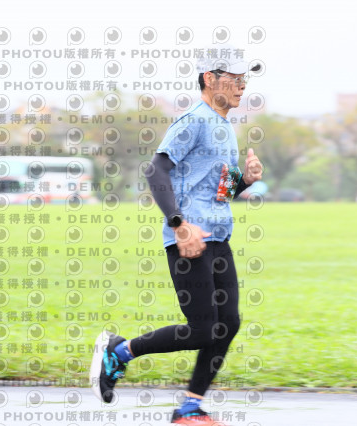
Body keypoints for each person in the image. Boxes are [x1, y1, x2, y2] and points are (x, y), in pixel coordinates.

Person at [90, 44, 263, 425]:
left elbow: (218, 190)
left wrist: (245, 181)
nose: (241, 86)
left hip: (217, 237)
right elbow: (155, 171)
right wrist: (178, 224)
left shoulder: (223, 126)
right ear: (209, 79)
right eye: (234, 78)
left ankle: (190, 407)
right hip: (189, 240)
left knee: (227, 324)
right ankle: (119, 352)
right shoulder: (194, 120)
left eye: (244, 79)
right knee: (203, 329)